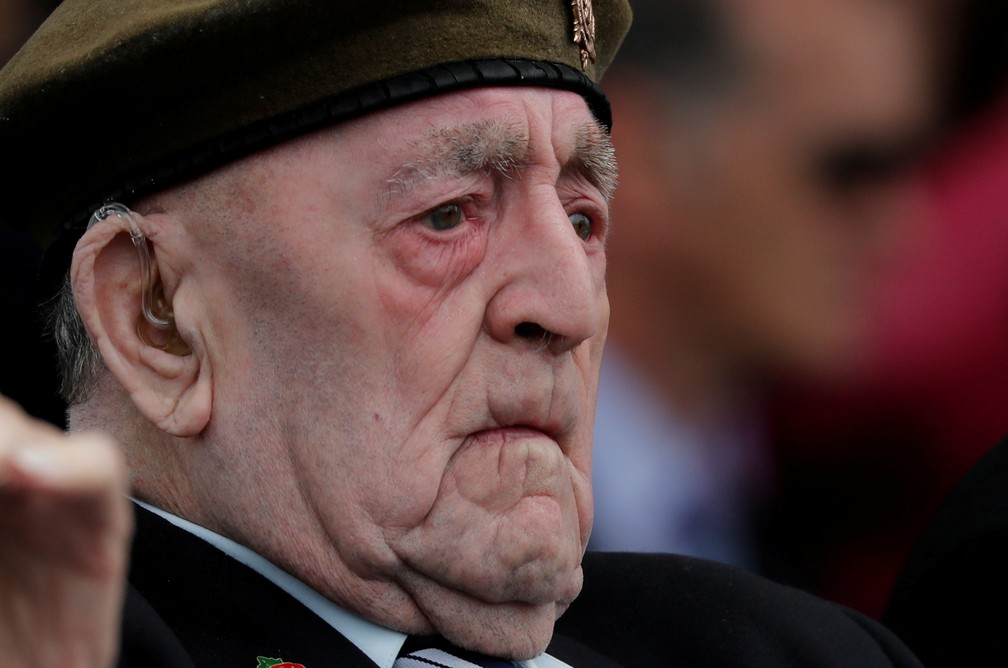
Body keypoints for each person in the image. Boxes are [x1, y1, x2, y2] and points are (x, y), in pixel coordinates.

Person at [0, 2, 923, 666]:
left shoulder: (780, 646)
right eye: (448, 217)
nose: (571, 308)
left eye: (583, 218)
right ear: (153, 315)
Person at [589, 0, 937, 565]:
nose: (903, 230)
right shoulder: (457, 517)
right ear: (636, 153)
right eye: (849, 169)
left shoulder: (806, 516)